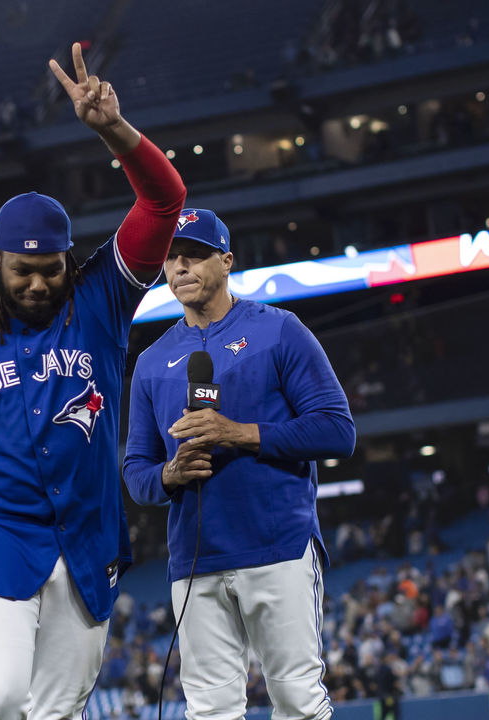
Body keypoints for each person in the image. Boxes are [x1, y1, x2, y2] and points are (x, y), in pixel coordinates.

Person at [0, 42, 186, 720]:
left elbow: (166, 199)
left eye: (51, 269)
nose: (37, 283)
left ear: (68, 261)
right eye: (21, 270)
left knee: (58, 709)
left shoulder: (100, 300)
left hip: (87, 538)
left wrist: (113, 130)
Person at [123, 208, 355, 720]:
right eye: (172, 259)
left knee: (297, 699)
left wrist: (239, 434)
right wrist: (169, 474)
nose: (181, 267)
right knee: (209, 711)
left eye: (195, 255)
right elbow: (136, 471)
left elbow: (338, 430)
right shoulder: (151, 361)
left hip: (278, 546)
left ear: (226, 260)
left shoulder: (279, 331)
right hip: (195, 560)